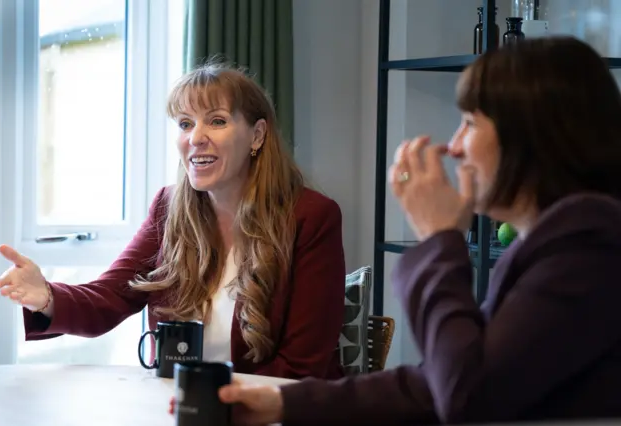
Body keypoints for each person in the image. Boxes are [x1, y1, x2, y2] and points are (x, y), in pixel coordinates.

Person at [198, 36, 621, 424]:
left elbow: (466, 394)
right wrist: (283, 403)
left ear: (530, 135)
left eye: (470, 124)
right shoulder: (559, 241)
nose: (454, 146)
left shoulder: (590, 245)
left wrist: (439, 240)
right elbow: (437, 381)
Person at [0, 63, 346, 380]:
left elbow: (302, 366)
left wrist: (216, 405)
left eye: (217, 121)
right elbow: (110, 297)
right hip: (181, 410)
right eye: (185, 124)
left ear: (257, 135)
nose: (196, 137)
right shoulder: (169, 206)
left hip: (272, 414)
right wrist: (46, 297)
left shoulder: (311, 217)